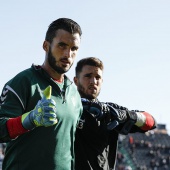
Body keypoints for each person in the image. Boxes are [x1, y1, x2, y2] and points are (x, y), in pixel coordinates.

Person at [0, 18, 83, 170]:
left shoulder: (74, 94)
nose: (68, 54)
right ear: (46, 46)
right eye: (62, 45)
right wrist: (29, 119)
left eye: (74, 48)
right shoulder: (22, 82)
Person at [73, 57, 156, 170]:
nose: (93, 81)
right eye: (88, 76)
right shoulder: (66, 108)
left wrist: (128, 116)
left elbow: (151, 122)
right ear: (76, 80)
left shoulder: (111, 111)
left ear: (102, 81)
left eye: (98, 77)